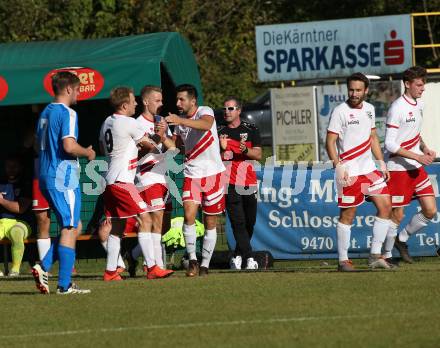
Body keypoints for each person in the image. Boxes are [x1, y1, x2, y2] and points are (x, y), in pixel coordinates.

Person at [99, 86, 173, 281]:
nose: (136, 104)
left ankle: (110, 271)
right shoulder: (129, 122)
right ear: (124, 105)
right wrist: (160, 134)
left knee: (117, 227)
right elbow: (151, 146)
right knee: (146, 219)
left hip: (110, 181)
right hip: (123, 182)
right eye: (133, 101)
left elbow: (113, 148)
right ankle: (152, 267)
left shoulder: (107, 122)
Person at [32, 71, 96, 295]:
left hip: (45, 174)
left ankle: (43, 266)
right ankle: (64, 285)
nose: (78, 94)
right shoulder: (67, 113)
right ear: (69, 89)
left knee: (74, 225)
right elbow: (69, 146)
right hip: (63, 176)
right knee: (70, 227)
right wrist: (87, 152)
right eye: (78, 90)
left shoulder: (45, 113)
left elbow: (37, 145)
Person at [326, 72, 393, 271]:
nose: (354, 93)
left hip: (369, 169)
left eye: (358, 90)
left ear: (366, 90)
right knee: (348, 215)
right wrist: (338, 166)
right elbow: (329, 142)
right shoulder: (340, 111)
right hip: (349, 172)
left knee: (386, 206)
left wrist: (381, 162)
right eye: (351, 90)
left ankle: (374, 255)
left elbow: (373, 137)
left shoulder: (370, 109)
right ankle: (343, 260)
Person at [166, 84, 226, 277]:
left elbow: (206, 125)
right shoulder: (179, 121)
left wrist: (179, 120)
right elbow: (175, 147)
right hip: (192, 174)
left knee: (210, 221)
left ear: (193, 101)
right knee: (189, 214)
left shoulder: (204, 111)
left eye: (181, 99)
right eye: (177, 99)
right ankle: (192, 259)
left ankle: (205, 265)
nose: (178, 103)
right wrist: (159, 136)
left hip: (213, 173)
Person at [382, 66, 437, 263]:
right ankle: (385, 257)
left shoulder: (419, 104)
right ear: (407, 84)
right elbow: (389, 143)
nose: (423, 89)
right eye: (419, 85)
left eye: (424, 84)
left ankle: (402, 239)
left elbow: (414, 133)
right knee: (397, 214)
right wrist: (417, 156)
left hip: (416, 166)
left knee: (430, 210)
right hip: (398, 169)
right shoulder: (397, 108)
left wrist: (425, 149)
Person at [217, 96, 261, 270]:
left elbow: (257, 155)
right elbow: (215, 157)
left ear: (239, 110)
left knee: (250, 221)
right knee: (238, 222)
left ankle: (237, 254)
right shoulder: (219, 131)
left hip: (248, 181)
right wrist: (222, 149)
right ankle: (250, 257)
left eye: (230, 109)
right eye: (225, 109)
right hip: (229, 182)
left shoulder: (251, 129)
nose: (226, 112)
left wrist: (243, 149)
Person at [0, 154, 32, 276]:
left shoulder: (26, 185)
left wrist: (2, 201)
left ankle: (15, 270)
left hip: (21, 223)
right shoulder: (1, 182)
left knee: (16, 233)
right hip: (1, 222)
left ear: (21, 167)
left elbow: (20, 209)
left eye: (14, 166)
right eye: (8, 166)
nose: (11, 169)